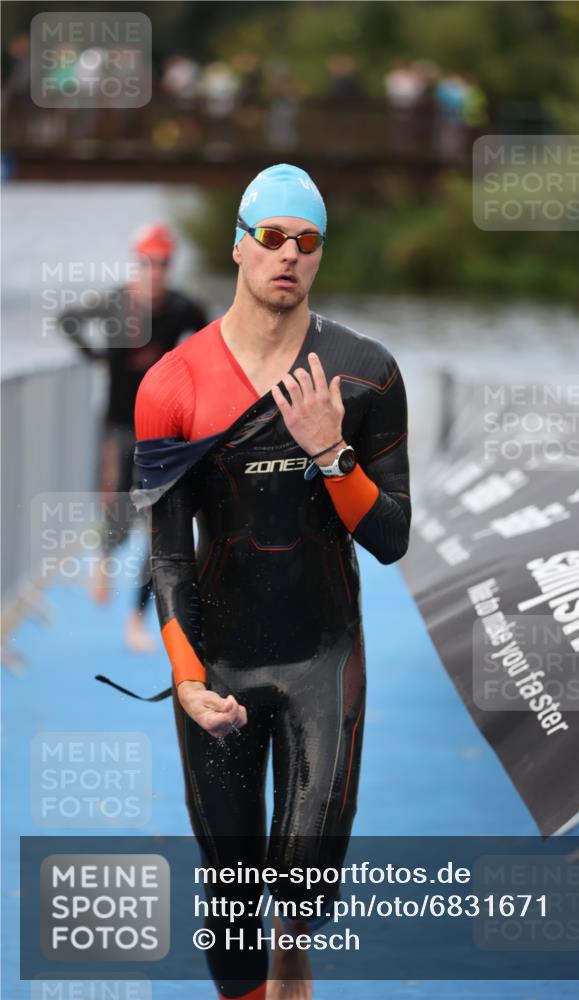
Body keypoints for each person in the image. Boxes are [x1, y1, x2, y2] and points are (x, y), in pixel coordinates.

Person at [132, 164, 411, 999]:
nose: (289, 255)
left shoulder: (362, 374)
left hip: (323, 655)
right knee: (228, 886)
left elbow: (391, 540)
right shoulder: (173, 385)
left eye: (308, 241)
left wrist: (332, 453)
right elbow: (168, 554)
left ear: (319, 255)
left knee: (303, 883)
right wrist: (185, 680)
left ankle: (294, 945)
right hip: (216, 665)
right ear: (239, 245)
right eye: (273, 237)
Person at [59, 223, 208, 651]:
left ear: (170, 266)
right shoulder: (116, 303)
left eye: (163, 264)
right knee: (119, 519)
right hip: (119, 427)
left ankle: (136, 619)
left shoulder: (182, 308)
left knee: (161, 526)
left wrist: (185, 372)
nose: (155, 271)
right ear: (137, 264)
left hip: (161, 433)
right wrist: (100, 357)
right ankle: (103, 559)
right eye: (148, 263)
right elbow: (67, 319)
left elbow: (211, 341)